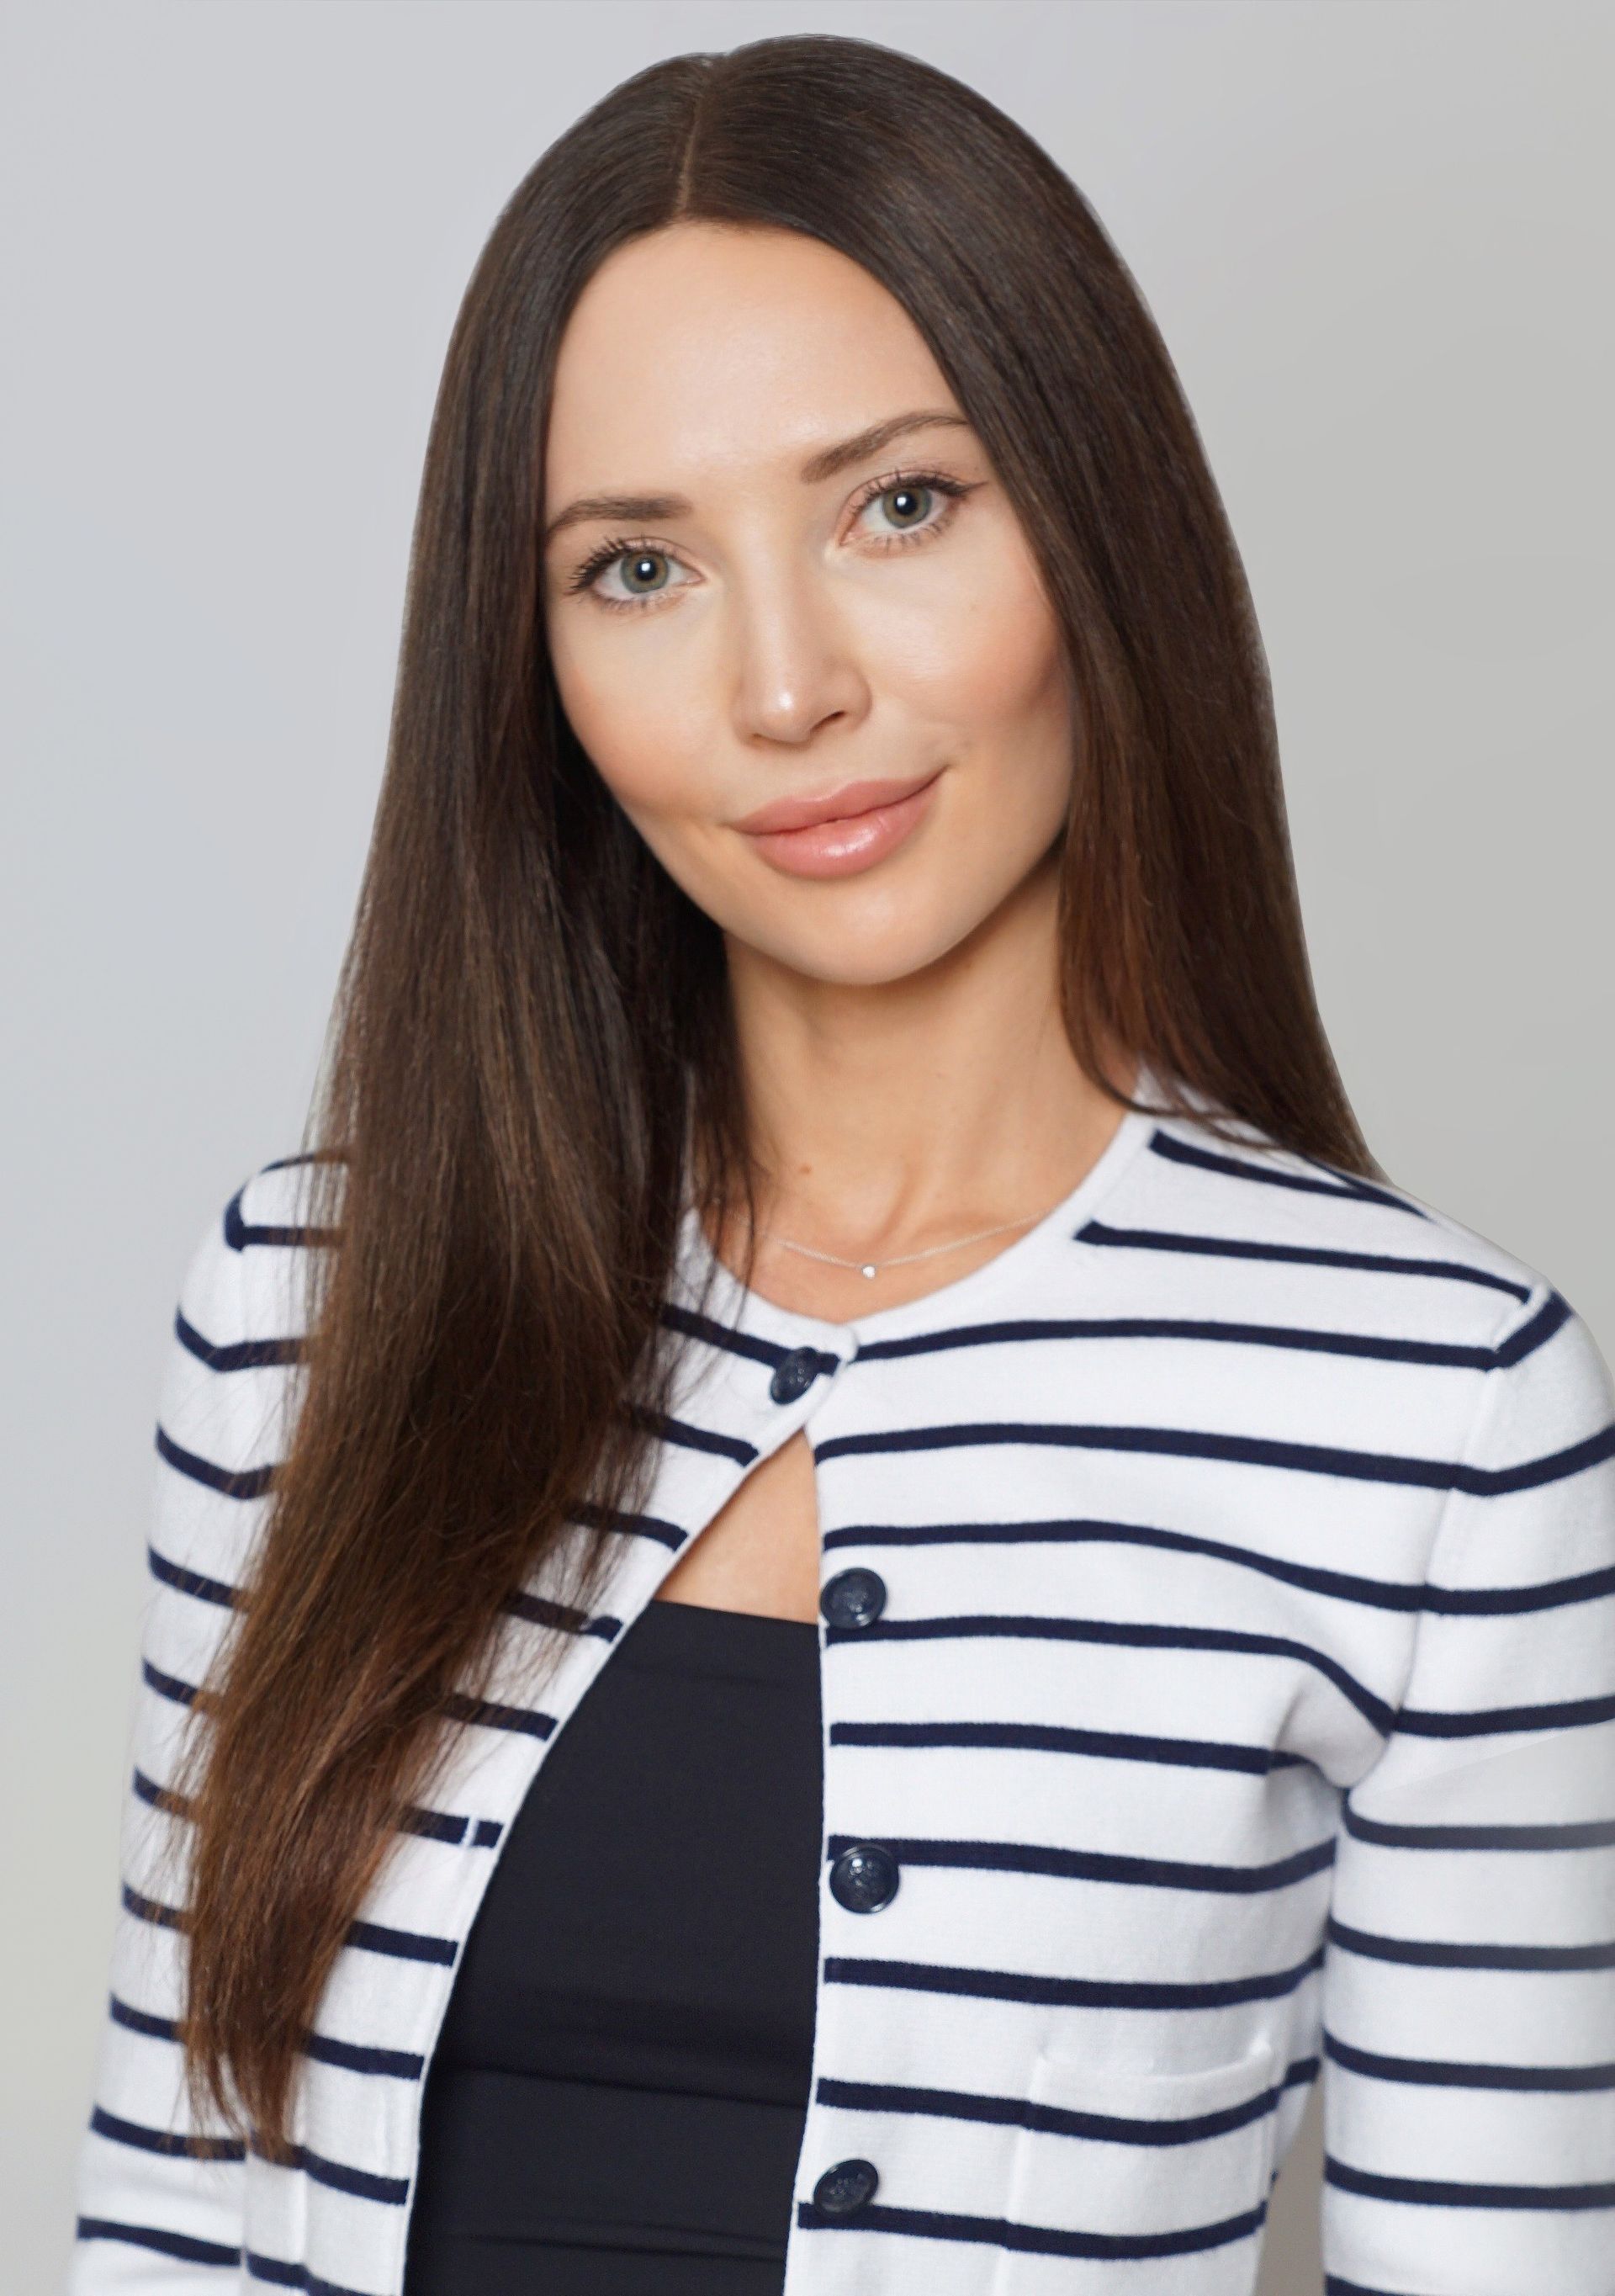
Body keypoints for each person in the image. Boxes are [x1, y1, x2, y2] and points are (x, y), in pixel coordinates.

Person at [67, 30, 1615, 2296]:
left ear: (1095, 519)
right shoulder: (315, 1302)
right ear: (532, 659)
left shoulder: (1435, 1421)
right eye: (638, 567)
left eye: (898, 506)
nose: (785, 687)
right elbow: (173, 2205)